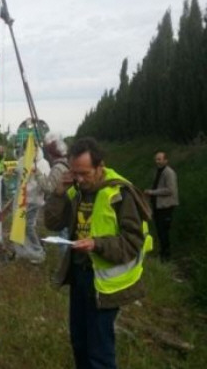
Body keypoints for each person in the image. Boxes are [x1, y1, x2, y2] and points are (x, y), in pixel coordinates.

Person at [44, 137, 153, 369]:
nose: (80, 179)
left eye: (85, 173)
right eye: (75, 173)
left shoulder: (120, 193)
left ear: (100, 167)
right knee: (79, 341)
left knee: (99, 351)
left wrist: (97, 244)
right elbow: (53, 222)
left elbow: (133, 242)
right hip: (79, 275)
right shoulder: (76, 191)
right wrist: (59, 193)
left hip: (104, 283)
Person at [12, 143, 50, 263]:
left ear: (37, 149)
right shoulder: (22, 160)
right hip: (22, 201)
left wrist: (36, 170)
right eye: (27, 149)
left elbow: (46, 185)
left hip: (34, 200)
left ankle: (38, 252)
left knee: (28, 226)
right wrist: (13, 171)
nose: (30, 151)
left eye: (33, 148)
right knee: (19, 225)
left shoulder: (42, 163)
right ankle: (24, 251)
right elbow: (19, 172)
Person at [144, 151, 179, 262]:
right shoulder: (158, 172)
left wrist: (152, 192)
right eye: (156, 159)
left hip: (166, 207)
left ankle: (166, 256)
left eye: (159, 159)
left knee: (164, 231)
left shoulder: (169, 173)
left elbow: (170, 190)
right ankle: (162, 253)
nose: (157, 161)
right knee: (160, 231)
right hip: (158, 206)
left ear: (166, 160)